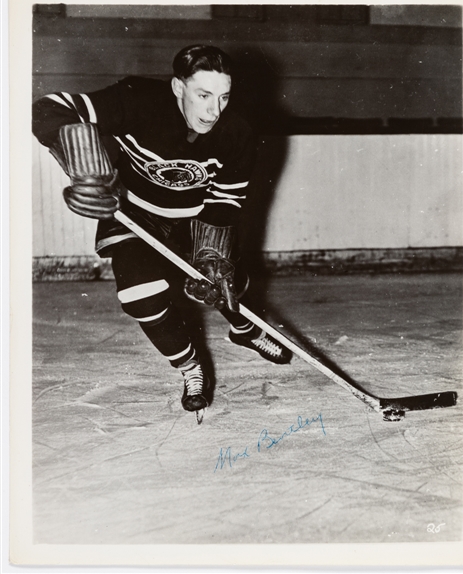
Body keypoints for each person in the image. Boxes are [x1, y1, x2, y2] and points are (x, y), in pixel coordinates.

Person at [32, 44, 292, 416]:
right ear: (177, 88)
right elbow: (49, 107)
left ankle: (245, 329)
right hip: (134, 215)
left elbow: (224, 203)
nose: (214, 110)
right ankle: (190, 368)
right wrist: (81, 159)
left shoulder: (237, 131)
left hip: (194, 220)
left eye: (223, 97)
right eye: (203, 95)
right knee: (140, 295)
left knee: (224, 284)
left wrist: (211, 256)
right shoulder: (136, 99)